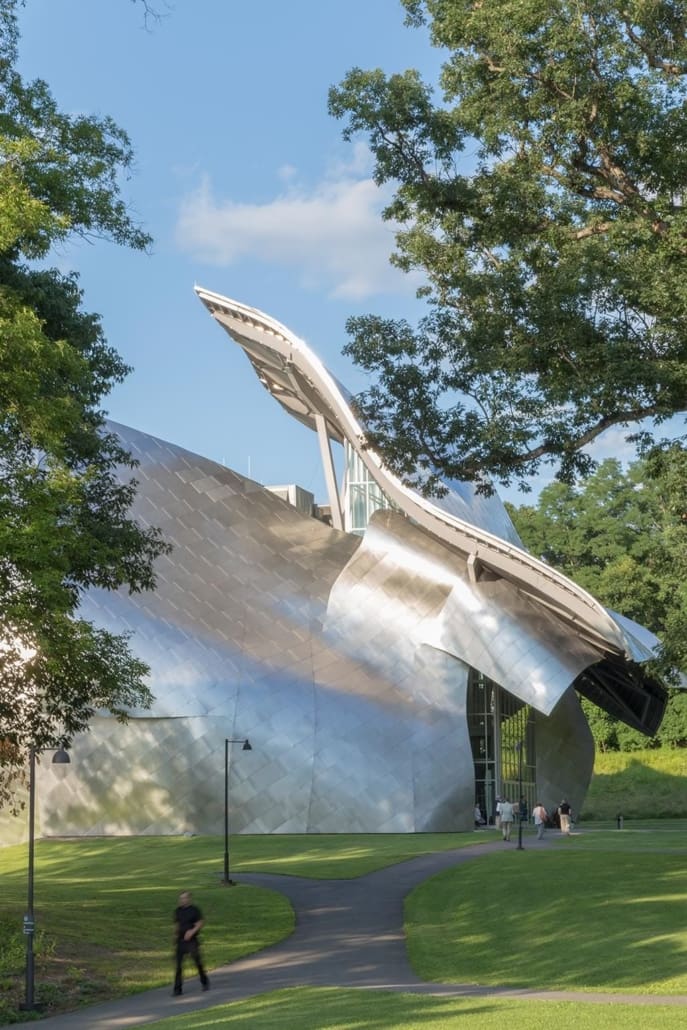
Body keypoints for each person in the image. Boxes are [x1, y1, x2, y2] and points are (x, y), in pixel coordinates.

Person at [173, 890, 210, 996]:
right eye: (181, 898)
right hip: (180, 941)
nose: (182, 900)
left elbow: (200, 923)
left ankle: (205, 982)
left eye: (185, 898)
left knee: (197, 962)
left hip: (192, 942)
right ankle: (177, 989)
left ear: (189, 899)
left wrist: (192, 931)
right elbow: (176, 924)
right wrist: (175, 936)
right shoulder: (177, 911)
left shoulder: (194, 910)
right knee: (178, 966)